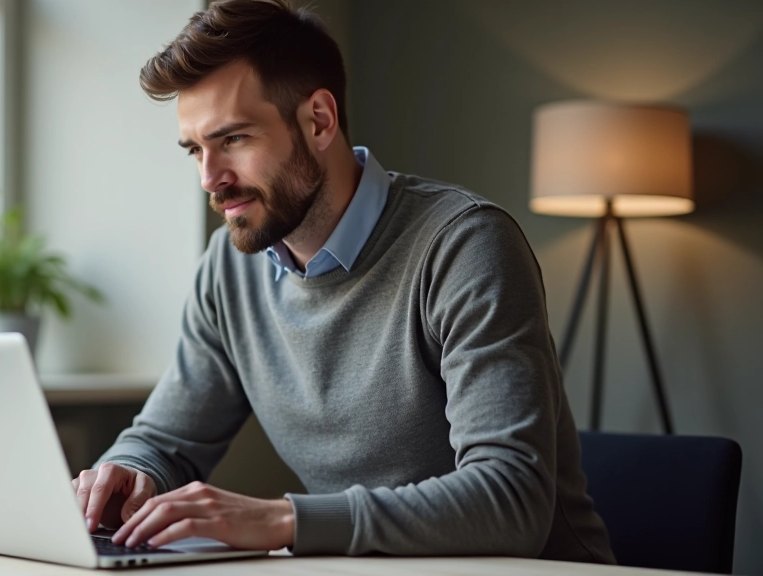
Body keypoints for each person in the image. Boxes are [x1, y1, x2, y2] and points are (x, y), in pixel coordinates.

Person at [72, 0, 615, 562]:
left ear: (319, 120)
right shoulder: (229, 268)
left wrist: (282, 518)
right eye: (195, 150)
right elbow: (165, 440)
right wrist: (124, 474)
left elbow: (511, 501)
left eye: (233, 139)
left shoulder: (464, 246)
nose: (211, 179)